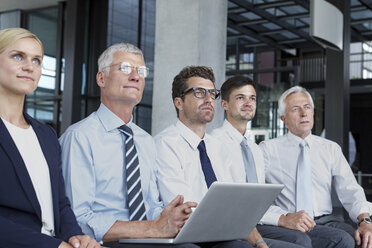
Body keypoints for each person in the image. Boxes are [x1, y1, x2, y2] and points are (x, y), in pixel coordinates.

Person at [59, 43, 197, 248]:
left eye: (141, 71)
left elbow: (151, 207)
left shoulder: (145, 141)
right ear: (101, 78)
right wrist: (151, 229)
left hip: (146, 238)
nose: (136, 76)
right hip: (104, 242)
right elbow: (78, 219)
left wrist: (171, 217)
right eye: (125, 68)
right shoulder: (79, 137)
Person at [0, 28, 99, 248]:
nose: (29, 66)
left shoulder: (46, 134)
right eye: (18, 56)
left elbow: (60, 204)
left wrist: (75, 236)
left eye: (37, 60)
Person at [155, 66, 260, 248]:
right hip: (188, 234)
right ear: (178, 103)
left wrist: (259, 242)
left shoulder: (217, 147)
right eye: (199, 93)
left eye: (212, 93)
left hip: (223, 231)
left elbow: (231, 200)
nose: (209, 99)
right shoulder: (165, 144)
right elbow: (183, 209)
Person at [260, 85, 372, 248]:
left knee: (362, 238)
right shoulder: (267, 150)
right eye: (296, 109)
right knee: (343, 239)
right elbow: (254, 194)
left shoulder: (330, 148)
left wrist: (365, 220)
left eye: (307, 107)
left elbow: (350, 190)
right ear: (283, 119)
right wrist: (283, 217)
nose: (304, 113)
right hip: (290, 222)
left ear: (313, 112)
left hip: (326, 221)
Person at [211, 75, 305, 248]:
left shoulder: (254, 149)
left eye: (252, 98)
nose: (248, 103)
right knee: (299, 242)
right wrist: (281, 220)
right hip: (232, 224)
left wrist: (286, 216)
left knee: (302, 238)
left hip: (257, 222)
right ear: (224, 104)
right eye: (240, 98)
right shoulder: (214, 144)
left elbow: (258, 202)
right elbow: (229, 203)